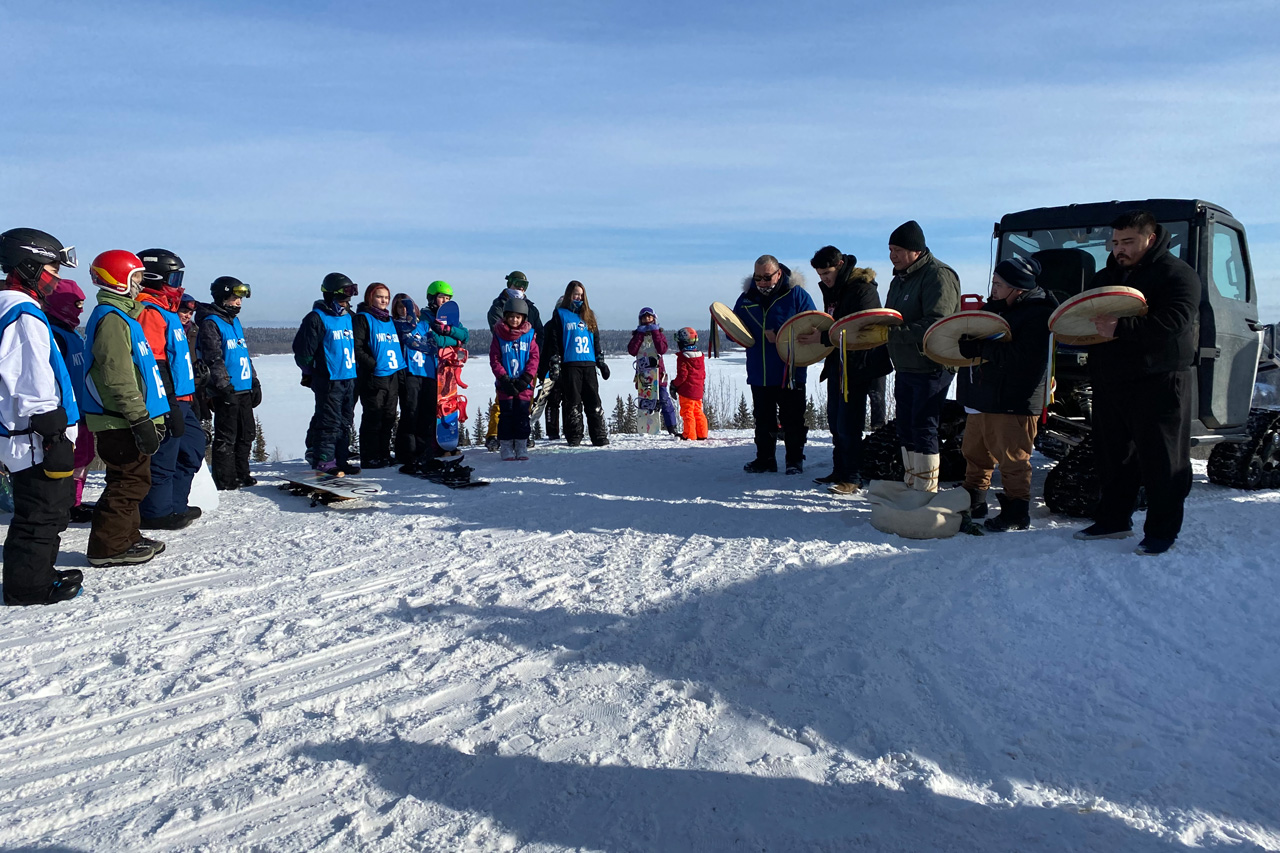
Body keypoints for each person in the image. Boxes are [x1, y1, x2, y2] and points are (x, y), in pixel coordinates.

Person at [1073, 210, 1201, 555]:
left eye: (1128, 241)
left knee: (1162, 460)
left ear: (1151, 238)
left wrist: (1121, 328)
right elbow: (1086, 318)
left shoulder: (1178, 275)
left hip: (1159, 379)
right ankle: (1113, 520)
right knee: (1113, 457)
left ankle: (1161, 532)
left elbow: (1173, 322)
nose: (1120, 249)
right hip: (1111, 379)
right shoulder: (1105, 277)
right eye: (1115, 242)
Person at [0, 228, 83, 605]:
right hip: (33, 437)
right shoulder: (24, 313)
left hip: (22, 433)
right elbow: (31, 377)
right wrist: (53, 434)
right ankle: (28, 586)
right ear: (29, 265)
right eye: (51, 268)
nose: (56, 278)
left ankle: (39, 572)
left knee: (43, 510)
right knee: (42, 512)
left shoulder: (10, 305)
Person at [82, 250, 171, 568]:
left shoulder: (124, 317)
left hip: (125, 418)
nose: (138, 285)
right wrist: (139, 418)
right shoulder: (111, 320)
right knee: (127, 481)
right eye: (135, 278)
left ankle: (127, 537)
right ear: (117, 280)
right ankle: (108, 547)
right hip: (118, 420)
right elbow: (118, 376)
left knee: (136, 479)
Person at [955, 256, 1056, 531]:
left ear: (1018, 287)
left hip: (1015, 398)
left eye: (999, 284)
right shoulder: (996, 308)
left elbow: (1025, 357)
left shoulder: (1039, 313)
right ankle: (974, 499)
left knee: (1012, 457)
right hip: (984, 395)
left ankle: (1016, 510)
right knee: (975, 452)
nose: (994, 288)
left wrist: (980, 349)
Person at [800, 246, 887, 494]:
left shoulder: (863, 289)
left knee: (850, 423)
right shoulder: (835, 288)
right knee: (836, 421)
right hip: (838, 363)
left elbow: (863, 329)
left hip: (859, 364)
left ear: (839, 265)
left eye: (826, 273)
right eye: (819, 274)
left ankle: (853, 475)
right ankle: (840, 470)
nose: (823, 278)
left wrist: (825, 337)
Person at [884, 221, 961, 492]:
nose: (892, 255)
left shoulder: (938, 275)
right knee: (906, 427)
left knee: (924, 426)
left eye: (898, 249)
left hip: (932, 364)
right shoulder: (899, 279)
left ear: (915, 250)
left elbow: (937, 322)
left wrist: (892, 335)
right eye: (890, 249)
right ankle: (911, 481)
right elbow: (889, 318)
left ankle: (927, 489)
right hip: (906, 365)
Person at [136, 248, 206, 528]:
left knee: (192, 448)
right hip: (167, 398)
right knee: (164, 457)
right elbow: (155, 361)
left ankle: (176, 504)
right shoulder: (151, 311)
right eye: (174, 277)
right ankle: (156, 512)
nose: (179, 283)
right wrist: (169, 403)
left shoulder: (167, 310)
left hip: (184, 396)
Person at [732, 255, 816, 473]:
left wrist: (781, 335)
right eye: (757, 277)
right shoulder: (746, 298)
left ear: (779, 274)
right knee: (763, 420)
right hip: (760, 371)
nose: (761, 282)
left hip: (790, 370)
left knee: (793, 419)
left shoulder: (797, 295)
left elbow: (814, 326)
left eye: (766, 277)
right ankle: (765, 459)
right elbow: (734, 329)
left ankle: (794, 461)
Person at [293, 272, 360, 475]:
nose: (347, 302)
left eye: (349, 297)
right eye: (343, 298)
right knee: (328, 421)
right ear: (331, 295)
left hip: (348, 377)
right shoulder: (317, 318)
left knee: (345, 422)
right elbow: (303, 351)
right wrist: (312, 373)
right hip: (329, 379)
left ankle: (341, 459)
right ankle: (324, 460)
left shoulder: (349, 317)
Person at [197, 275, 260, 488]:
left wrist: (254, 380)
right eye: (235, 298)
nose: (238, 302)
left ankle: (242, 472)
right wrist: (223, 385)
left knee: (247, 433)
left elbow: (243, 352)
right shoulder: (211, 323)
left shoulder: (234, 322)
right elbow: (213, 357)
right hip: (227, 390)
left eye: (240, 298)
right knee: (227, 435)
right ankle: (225, 478)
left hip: (243, 387)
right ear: (223, 297)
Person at [45, 277, 97, 524]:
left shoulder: (72, 333)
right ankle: (63, 504)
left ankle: (73, 502)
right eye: (76, 303)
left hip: (82, 411)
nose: (80, 309)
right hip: (66, 414)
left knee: (84, 457)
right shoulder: (54, 334)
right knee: (69, 460)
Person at [542, 280, 610, 447]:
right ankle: (574, 435)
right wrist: (555, 362)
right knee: (572, 401)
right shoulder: (561, 314)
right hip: (570, 364)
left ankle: (598, 435)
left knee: (593, 400)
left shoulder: (589, 315)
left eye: (580, 294)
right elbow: (555, 340)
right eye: (575, 294)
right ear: (569, 295)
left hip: (589, 363)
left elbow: (596, 340)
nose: (578, 297)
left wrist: (601, 362)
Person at [485, 271, 544, 452]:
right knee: (503, 404)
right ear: (509, 283)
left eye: (524, 286)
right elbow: (498, 330)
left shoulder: (530, 308)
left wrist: (534, 363)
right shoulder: (498, 305)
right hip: (507, 360)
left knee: (524, 404)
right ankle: (495, 435)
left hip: (526, 361)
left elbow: (539, 333)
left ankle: (521, 436)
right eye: (517, 284)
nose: (520, 288)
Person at [353, 282, 403, 469]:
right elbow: (357, 347)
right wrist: (372, 364)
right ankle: (369, 456)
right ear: (370, 298)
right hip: (373, 376)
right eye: (379, 297)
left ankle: (383, 453)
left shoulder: (388, 320)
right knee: (373, 416)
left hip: (392, 374)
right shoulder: (363, 318)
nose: (384, 301)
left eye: (386, 298)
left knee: (389, 416)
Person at [391, 293, 433, 472]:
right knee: (410, 412)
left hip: (428, 372)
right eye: (400, 306)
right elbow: (406, 339)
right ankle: (406, 452)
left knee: (426, 413)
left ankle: (424, 451)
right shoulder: (395, 325)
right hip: (410, 373)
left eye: (407, 306)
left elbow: (432, 344)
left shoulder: (424, 325)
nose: (404, 310)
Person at [627, 307, 680, 437]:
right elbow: (632, 350)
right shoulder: (637, 335)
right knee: (646, 401)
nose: (647, 320)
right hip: (643, 376)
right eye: (644, 318)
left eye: (649, 317)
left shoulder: (659, 334)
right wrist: (640, 334)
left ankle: (672, 428)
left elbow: (662, 349)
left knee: (664, 400)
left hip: (658, 375)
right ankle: (646, 427)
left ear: (654, 318)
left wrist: (655, 332)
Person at [671, 327, 709, 440]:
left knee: (687, 412)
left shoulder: (683, 357)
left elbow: (682, 375)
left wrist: (674, 385)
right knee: (698, 411)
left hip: (686, 391)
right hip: (698, 389)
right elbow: (703, 374)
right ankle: (702, 434)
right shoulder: (700, 356)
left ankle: (689, 435)